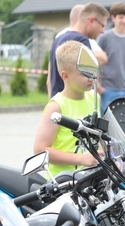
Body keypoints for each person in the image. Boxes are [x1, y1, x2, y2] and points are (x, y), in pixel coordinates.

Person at [34, 41, 98, 178]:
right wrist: (81, 159)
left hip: (89, 178)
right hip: (62, 181)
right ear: (65, 76)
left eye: (91, 70)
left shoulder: (95, 97)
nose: (90, 77)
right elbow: (40, 150)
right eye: (84, 73)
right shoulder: (56, 106)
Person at [48, 2, 110, 97]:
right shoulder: (81, 41)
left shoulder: (58, 39)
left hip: (59, 102)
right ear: (91, 20)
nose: (102, 31)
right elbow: (86, 79)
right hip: (74, 105)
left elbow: (49, 80)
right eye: (102, 26)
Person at [97, 2, 125, 113]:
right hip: (108, 90)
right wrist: (99, 89)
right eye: (121, 17)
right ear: (113, 18)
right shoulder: (104, 38)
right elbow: (95, 62)